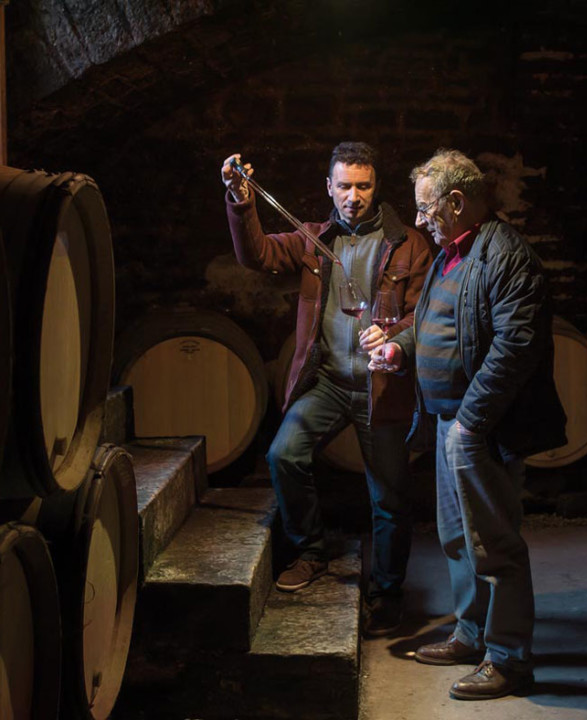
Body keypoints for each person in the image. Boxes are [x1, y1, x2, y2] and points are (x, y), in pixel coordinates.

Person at [370, 149, 566, 698]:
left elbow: (516, 346)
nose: (420, 221)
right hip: (450, 422)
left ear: (457, 202)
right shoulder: (450, 254)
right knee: (457, 539)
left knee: (495, 544)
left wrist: (471, 423)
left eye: (427, 209)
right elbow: (434, 322)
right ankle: (470, 633)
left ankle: (508, 659)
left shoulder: (507, 256)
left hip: (481, 427)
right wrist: (400, 352)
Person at [221, 141, 432, 636]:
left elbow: (424, 313)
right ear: (329, 188)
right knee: (283, 455)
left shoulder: (409, 245)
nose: (353, 196)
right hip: (331, 383)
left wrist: (397, 336)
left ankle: (387, 593)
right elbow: (258, 255)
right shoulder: (315, 240)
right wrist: (240, 199)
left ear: (376, 187)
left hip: (383, 390)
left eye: (363, 185)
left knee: (389, 498)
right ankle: (310, 550)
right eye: (344, 186)